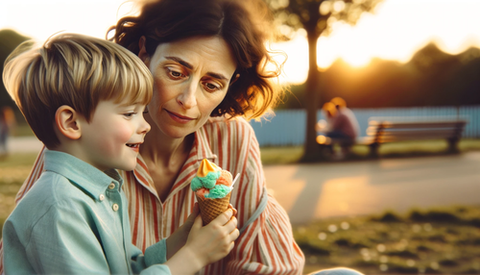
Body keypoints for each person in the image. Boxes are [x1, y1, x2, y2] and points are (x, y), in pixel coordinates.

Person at [0, 1, 364, 274]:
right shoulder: (78, 168)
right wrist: (192, 256)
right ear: (145, 53)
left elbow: (132, 265)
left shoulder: (232, 142)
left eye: (211, 84)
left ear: (229, 86)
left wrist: (187, 237)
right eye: (175, 71)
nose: (189, 101)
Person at [1, 33, 238, 274]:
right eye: (128, 114)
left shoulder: (100, 192)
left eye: (141, 111)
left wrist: (185, 236)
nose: (145, 125)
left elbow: (128, 268)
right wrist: (192, 257)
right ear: (71, 123)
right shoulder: (58, 209)